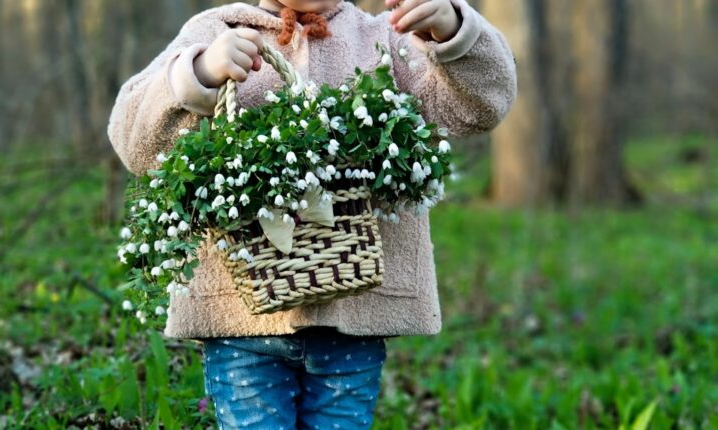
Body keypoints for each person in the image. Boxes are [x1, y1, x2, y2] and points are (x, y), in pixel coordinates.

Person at [107, 0, 516, 428]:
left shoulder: (386, 38)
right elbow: (132, 137)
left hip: (354, 321)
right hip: (241, 325)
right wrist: (199, 73)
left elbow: (480, 107)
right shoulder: (217, 30)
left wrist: (452, 29)